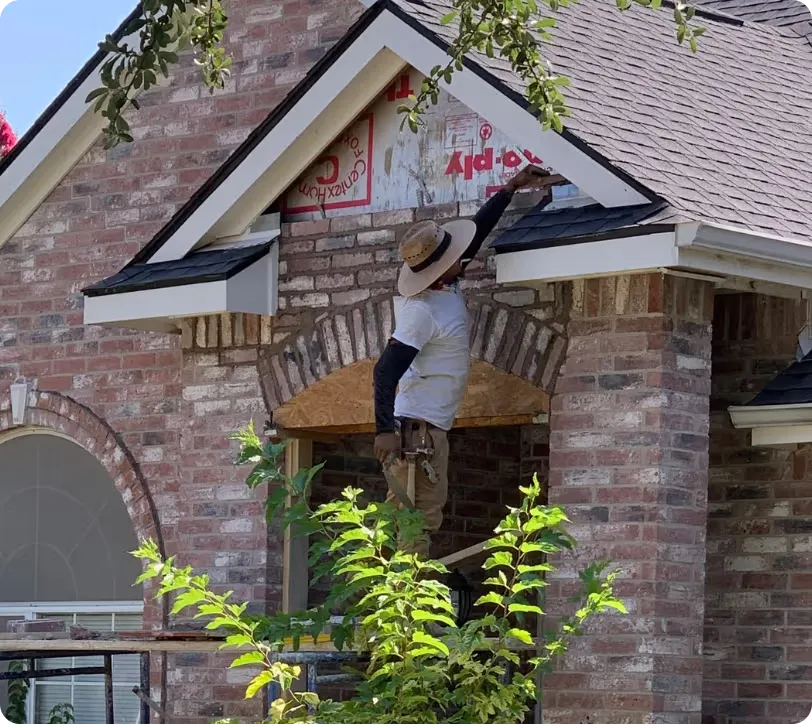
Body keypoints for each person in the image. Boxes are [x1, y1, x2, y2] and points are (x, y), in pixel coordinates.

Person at [372, 165, 553, 556]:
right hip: (415, 433)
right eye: (454, 256)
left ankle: (399, 600)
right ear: (440, 267)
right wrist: (384, 429)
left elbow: (477, 232)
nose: (462, 257)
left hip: (430, 427)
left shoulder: (447, 281)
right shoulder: (421, 311)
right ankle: (401, 607)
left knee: (414, 519)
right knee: (415, 521)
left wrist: (509, 190)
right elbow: (385, 371)